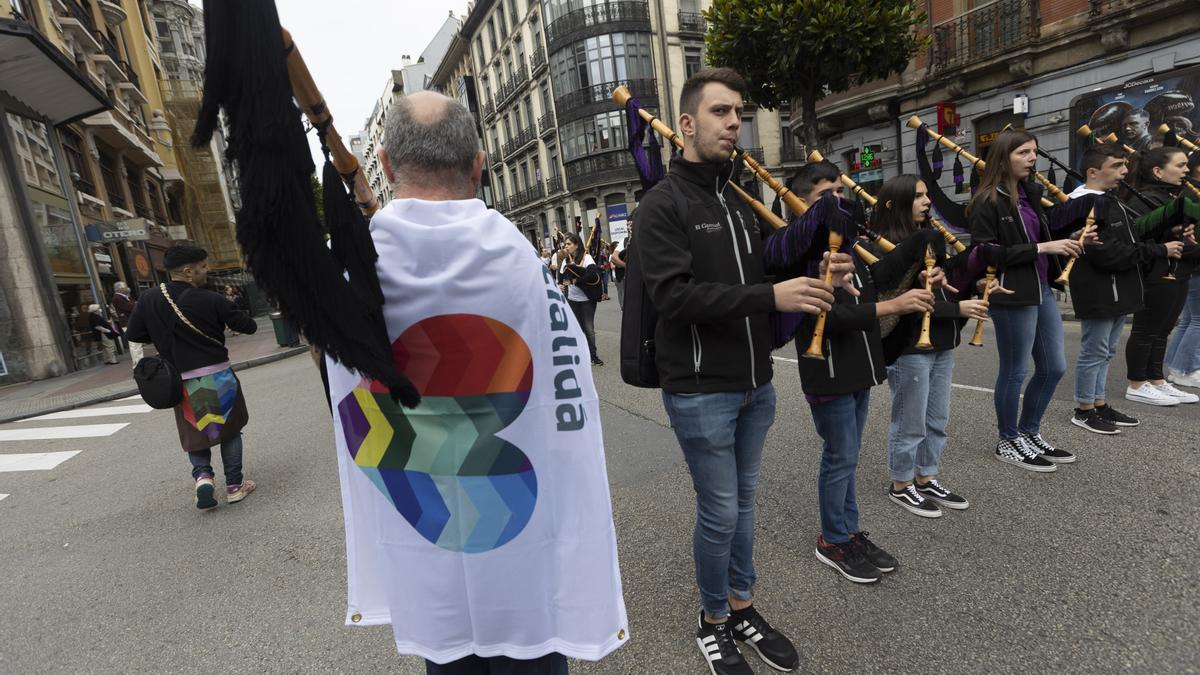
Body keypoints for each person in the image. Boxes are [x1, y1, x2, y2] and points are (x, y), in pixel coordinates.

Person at [328, 91, 627, 673]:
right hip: (521, 540)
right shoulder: (519, 262)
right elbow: (562, 397)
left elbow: (340, 380)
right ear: (479, 163)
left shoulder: (354, 272)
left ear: (386, 166)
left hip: (429, 531)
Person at [638, 68, 851, 675]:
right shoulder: (662, 205)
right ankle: (712, 621)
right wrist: (772, 297)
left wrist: (814, 271)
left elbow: (757, 272)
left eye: (739, 112)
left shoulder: (733, 199)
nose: (736, 123)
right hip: (701, 389)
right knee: (721, 509)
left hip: (755, 383)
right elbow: (674, 298)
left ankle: (742, 605)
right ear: (686, 124)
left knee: (745, 505)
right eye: (721, 112)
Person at [873, 175, 986, 517]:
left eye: (926, 195)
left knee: (937, 418)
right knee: (910, 421)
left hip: (940, 343)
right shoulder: (886, 248)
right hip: (909, 347)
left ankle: (926, 476)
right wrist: (958, 309)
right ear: (896, 203)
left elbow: (943, 287)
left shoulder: (933, 240)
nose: (926, 202)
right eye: (918, 196)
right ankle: (900, 483)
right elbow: (905, 302)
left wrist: (974, 284)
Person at [968, 130, 1079, 471]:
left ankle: (1029, 432)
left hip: (1041, 289)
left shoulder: (1029, 194)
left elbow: (1036, 236)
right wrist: (1043, 248)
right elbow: (984, 251)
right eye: (1024, 153)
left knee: (1054, 367)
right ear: (1004, 158)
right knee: (1015, 371)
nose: (1033, 158)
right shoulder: (986, 201)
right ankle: (1008, 439)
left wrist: (1064, 240)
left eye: (1034, 152)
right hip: (1011, 292)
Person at [126, 245, 259, 509]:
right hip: (219, 377)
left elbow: (134, 334)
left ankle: (203, 477)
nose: (207, 271)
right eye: (203, 266)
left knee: (195, 432)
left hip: (181, 382)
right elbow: (249, 326)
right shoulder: (211, 299)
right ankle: (234, 485)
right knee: (230, 431)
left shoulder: (149, 299)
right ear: (188, 271)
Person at [1061, 145, 1156, 433]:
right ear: (1093, 171)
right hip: (1099, 288)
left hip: (1119, 286)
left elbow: (1128, 239)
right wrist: (1155, 251)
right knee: (1095, 350)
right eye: (1116, 165)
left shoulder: (1109, 199)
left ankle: (1099, 403)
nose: (1124, 171)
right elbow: (1107, 253)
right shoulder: (1082, 202)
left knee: (1107, 349)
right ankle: (1084, 408)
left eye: (1124, 165)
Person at [1124, 146, 1200, 405]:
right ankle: (1136, 383)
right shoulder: (1143, 199)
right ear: (1158, 171)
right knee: (1146, 330)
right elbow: (1139, 237)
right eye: (1180, 166)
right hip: (1154, 274)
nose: (1186, 170)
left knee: (1162, 330)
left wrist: (1188, 239)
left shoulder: (1171, 198)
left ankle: (1156, 379)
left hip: (1179, 272)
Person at [1165, 153, 1200, 388]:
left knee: (1189, 319)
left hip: (1190, 263)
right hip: (1196, 263)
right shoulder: (1193, 194)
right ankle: (1185, 370)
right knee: (1198, 320)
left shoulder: (1187, 192)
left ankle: (1175, 367)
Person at [558, 232, 604, 365]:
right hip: (572, 299)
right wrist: (559, 285)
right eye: (565, 244)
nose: (566, 246)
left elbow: (592, 274)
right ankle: (582, 354)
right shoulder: (566, 260)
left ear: (576, 245)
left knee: (589, 328)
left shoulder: (587, 257)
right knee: (578, 328)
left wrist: (575, 281)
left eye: (569, 244)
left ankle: (593, 356)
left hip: (587, 300)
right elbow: (560, 278)